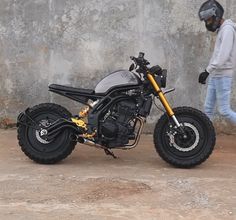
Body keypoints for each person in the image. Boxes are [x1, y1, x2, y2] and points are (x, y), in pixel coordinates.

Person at [198, 0, 236, 124]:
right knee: (208, 109)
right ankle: (204, 140)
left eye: (209, 20)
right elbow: (216, 56)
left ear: (217, 15)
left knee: (224, 110)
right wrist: (209, 71)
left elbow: (223, 57)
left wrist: (207, 71)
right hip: (216, 74)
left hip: (223, 75)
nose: (208, 23)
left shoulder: (228, 30)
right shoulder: (222, 30)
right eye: (206, 21)